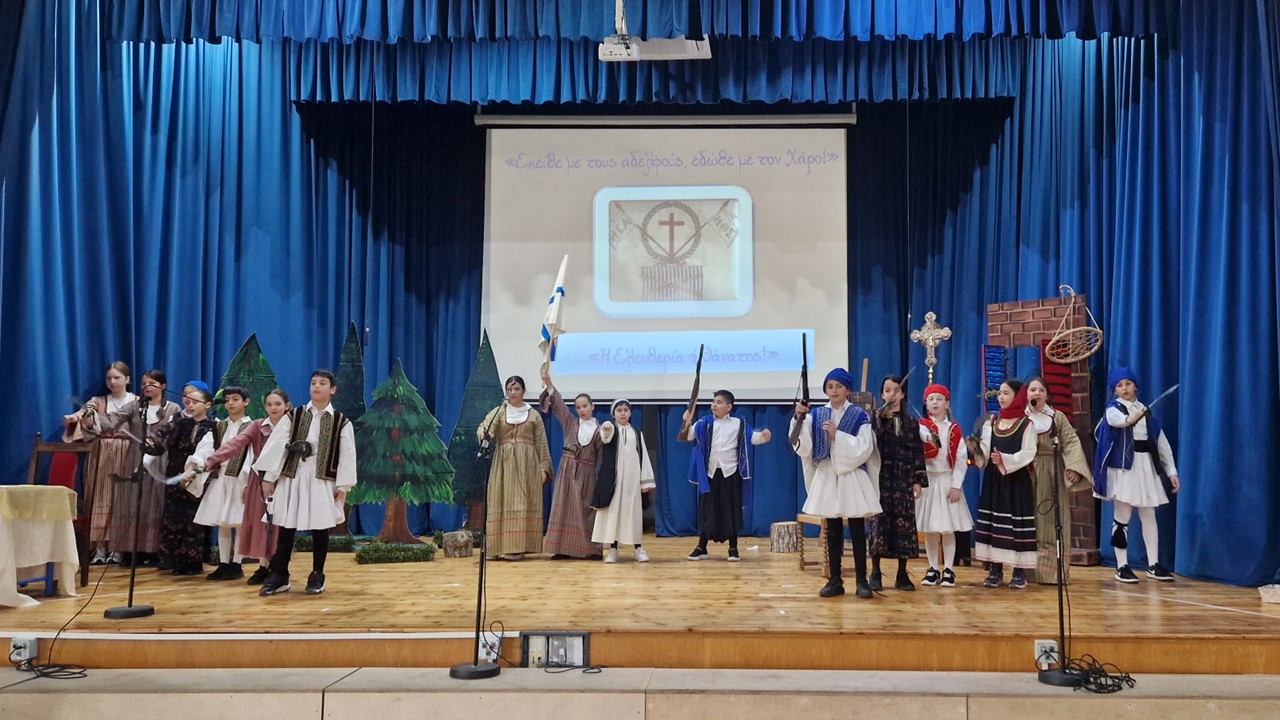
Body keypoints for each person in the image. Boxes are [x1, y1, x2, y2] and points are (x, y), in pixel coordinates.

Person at [253, 371, 357, 596]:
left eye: (322, 383)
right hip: (293, 475)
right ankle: (280, 574)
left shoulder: (340, 421)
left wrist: (343, 485)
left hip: (321, 478)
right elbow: (277, 445)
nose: (316, 386)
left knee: (320, 527)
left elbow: (347, 453)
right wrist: (269, 478)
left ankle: (317, 574)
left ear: (332, 389)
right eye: (313, 383)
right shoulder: (295, 415)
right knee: (286, 526)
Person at [791, 368, 881, 598]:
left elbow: (864, 447)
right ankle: (835, 579)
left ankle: (861, 580)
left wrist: (837, 437)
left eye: (839, 386)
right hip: (828, 474)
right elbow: (803, 445)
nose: (834, 391)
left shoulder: (859, 415)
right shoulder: (817, 414)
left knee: (857, 529)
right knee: (832, 530)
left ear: (847, 390)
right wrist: (798, 417)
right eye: (830, 387)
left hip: (851, 475)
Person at [84, 369, 182, 566]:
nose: (146, 387)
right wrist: (92, 418)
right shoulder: (134, 406)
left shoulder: (173, 409)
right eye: (144, 384)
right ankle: (131, 550)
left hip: (160, 461)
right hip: (134, 458)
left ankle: (154, 551)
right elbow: (111, 421)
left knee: (156, 503)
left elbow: (176, 435)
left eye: (151, 383)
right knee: (132, 502)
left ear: (163, 386)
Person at [1093, 367, 1181, 583]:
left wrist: (1171, 471)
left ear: (1136, 386)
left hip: (1145, 467)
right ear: (1114, 390)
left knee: (1149, 514)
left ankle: (1153, 564)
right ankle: (1121, 565)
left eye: (1128, 384)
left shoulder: (1146, 412)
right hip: (1124, 469)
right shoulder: (1113, 409)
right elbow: (1118, 421)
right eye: (1119, 385)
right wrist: (1132, 416)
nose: (1124, 388)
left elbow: (1161, 442)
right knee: (1122, 515)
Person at [201, 388, 290, 585]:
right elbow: (236, 443)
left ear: (287, 406)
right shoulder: (258, 426)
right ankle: (263, 567)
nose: (273, 408)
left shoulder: (291, 427)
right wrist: (214, 458)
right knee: (260, 525)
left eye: (278, 404)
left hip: (284, 481)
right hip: (260, 481)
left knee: (279, 526)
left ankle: (278, 568)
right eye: (269, 404)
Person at [680, 390, 772, 562]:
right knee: (707, 510)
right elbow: (687, 435)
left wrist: (763, 437)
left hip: (730, 472)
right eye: (713, 401)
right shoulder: (704, 422)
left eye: (719, 402)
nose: (714, 405)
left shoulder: (739, 423)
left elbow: (752, 438)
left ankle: (733, 548)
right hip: (710, 474)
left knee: (731, 509)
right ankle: (701, 547)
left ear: (729, 407)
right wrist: (687, 421)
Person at [62, 361, 136, 564]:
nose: (112, 382)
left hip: (126, 453)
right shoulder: (98, 401)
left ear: (127, 379)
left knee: (121, 499)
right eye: (109, 378)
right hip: (101, 452)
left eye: (117, 377)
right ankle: (99, 547)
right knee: (99, 496)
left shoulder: (136, 402)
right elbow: (85, 412)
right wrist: (74, 418)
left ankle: (118, 548)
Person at [968, 380, 1037, 589]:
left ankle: (1019, 571)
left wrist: (1005, 460)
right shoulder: (992, 423)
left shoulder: (1027, 424)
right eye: (999, 393)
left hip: (1016, 481)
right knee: (994, 524)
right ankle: (995, 569)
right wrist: (976, 449)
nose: (1001, 397)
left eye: (1006, 393)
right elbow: (985, 451)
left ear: (1017, 396)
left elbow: (1028, 453)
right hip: (994, 481)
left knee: (1016, 524)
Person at [1024, 376, 1093, 585]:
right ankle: (1025, 571)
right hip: (1025, 471)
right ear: (1026, 394)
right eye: (1032, 390)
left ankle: (1052, 573)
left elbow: (1071, 442)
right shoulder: (1020, 417)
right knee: (1027, 519)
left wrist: (1073, 467)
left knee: (1052, 519)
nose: (1036, 393)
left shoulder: (1056, 417)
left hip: (1051, 470)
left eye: (1041, 390)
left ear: (1047, 395)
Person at [477, 375, 552, 561]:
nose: (513, 392)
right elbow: (486, 427)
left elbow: (541, 442)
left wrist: (543, 468)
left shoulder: (533, 414)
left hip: (527, 464)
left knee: (521, 502)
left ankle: (517, 548)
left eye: (516, 389)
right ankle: (496, 547)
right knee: (499, 499)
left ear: (523, 391)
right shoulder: (499, 412)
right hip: (503, 463)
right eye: (509, 389)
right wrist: (484, 434)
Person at [189, 386, 254, 581]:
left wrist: (249, 480)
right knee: (223, 522)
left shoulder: (252, 427)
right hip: (222, 478)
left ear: (246, 402)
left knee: (239, 522)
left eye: (235, 399)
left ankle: (237, 563)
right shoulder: (219, 427)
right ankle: (224, 563)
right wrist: (196, 463)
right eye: (227, 400)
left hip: (241, 479)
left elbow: (253, 455)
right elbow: (207, 448)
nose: (230, 403)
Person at [868, 375, 927, 591]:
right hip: (881, 478)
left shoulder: (911, 422)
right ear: (882, 394)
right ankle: (875, 572)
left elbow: (917, 452)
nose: (891, 394)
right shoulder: (874, 418)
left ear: (902, 394)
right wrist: (882, 419)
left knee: (905, 524)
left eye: (896, 390)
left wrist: (918, 480)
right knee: (878, 524)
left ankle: (902, 574)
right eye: (887, 390)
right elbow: (871, 442)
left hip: (904, 480)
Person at [540, 368, 605, 559]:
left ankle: (592, 550)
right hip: (567, 470)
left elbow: (602, 457)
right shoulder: (570, 423)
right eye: (578, 407)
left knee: (586, 510)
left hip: (587, 472)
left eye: (585, 406)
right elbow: (559, 405)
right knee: (563, 506)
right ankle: (562, 549)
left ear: (592, 406)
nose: (581, 410)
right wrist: (549, 383)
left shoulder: (601, 430)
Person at [156, 382, 218, 575]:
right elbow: (161, 440)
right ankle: (175, 560)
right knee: (175, 516)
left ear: (208, 405)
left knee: (195, 519)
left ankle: (194, 561)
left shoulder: (214, 427)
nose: (190, 406)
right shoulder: (179, 423)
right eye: (188, 402)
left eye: (195, 402)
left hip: (198, 478)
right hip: (176, 475)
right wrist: (151, 443)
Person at [916, 383, 972, 588]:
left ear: (947, 403)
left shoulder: (954, 429)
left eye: (939, 399)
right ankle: (932, 568)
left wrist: (956, 485)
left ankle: (948, 569)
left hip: (947, 481)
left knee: (948, 529)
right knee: (931, 529)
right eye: (931, 399)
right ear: (926, 403)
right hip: (928, 482)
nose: (935, 403)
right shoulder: (921, 426)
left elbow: (961, 459)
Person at [591, 399, 656, 563]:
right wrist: (606, 428)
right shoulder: (611, 429)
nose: (623, 413)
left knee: (633, 514)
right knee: (614, 514)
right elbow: (605, 436)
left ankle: (638, 548)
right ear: (613, 414)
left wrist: (645, 481)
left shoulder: (636, 432)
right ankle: (613, 550)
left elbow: (643, 456)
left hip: (632, 482)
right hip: (615, 482)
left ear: (630, 413)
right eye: (619, 410)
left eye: (626, 410)